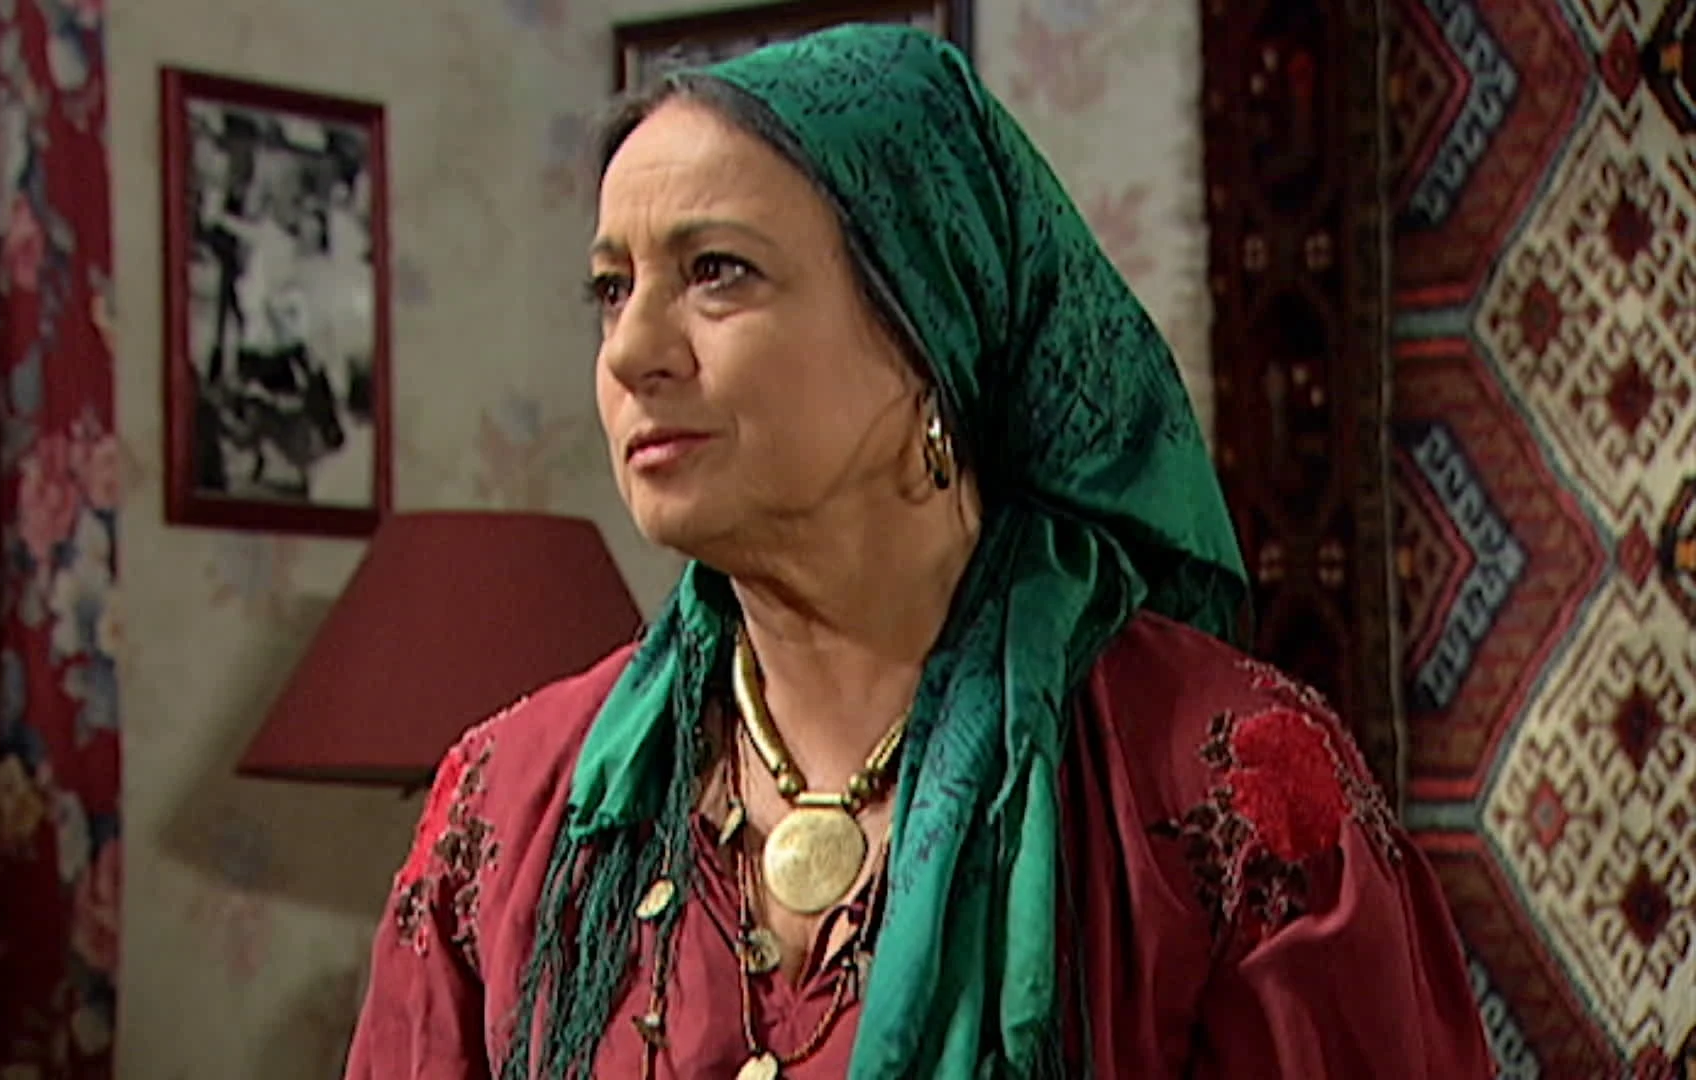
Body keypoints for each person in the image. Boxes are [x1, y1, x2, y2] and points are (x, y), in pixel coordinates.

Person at [344, 24, 1494, 1080]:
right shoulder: (507, 811)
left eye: (716, 272)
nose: (632, 349)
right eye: (612, 288)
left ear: (926, 330)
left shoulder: (1220, 790)